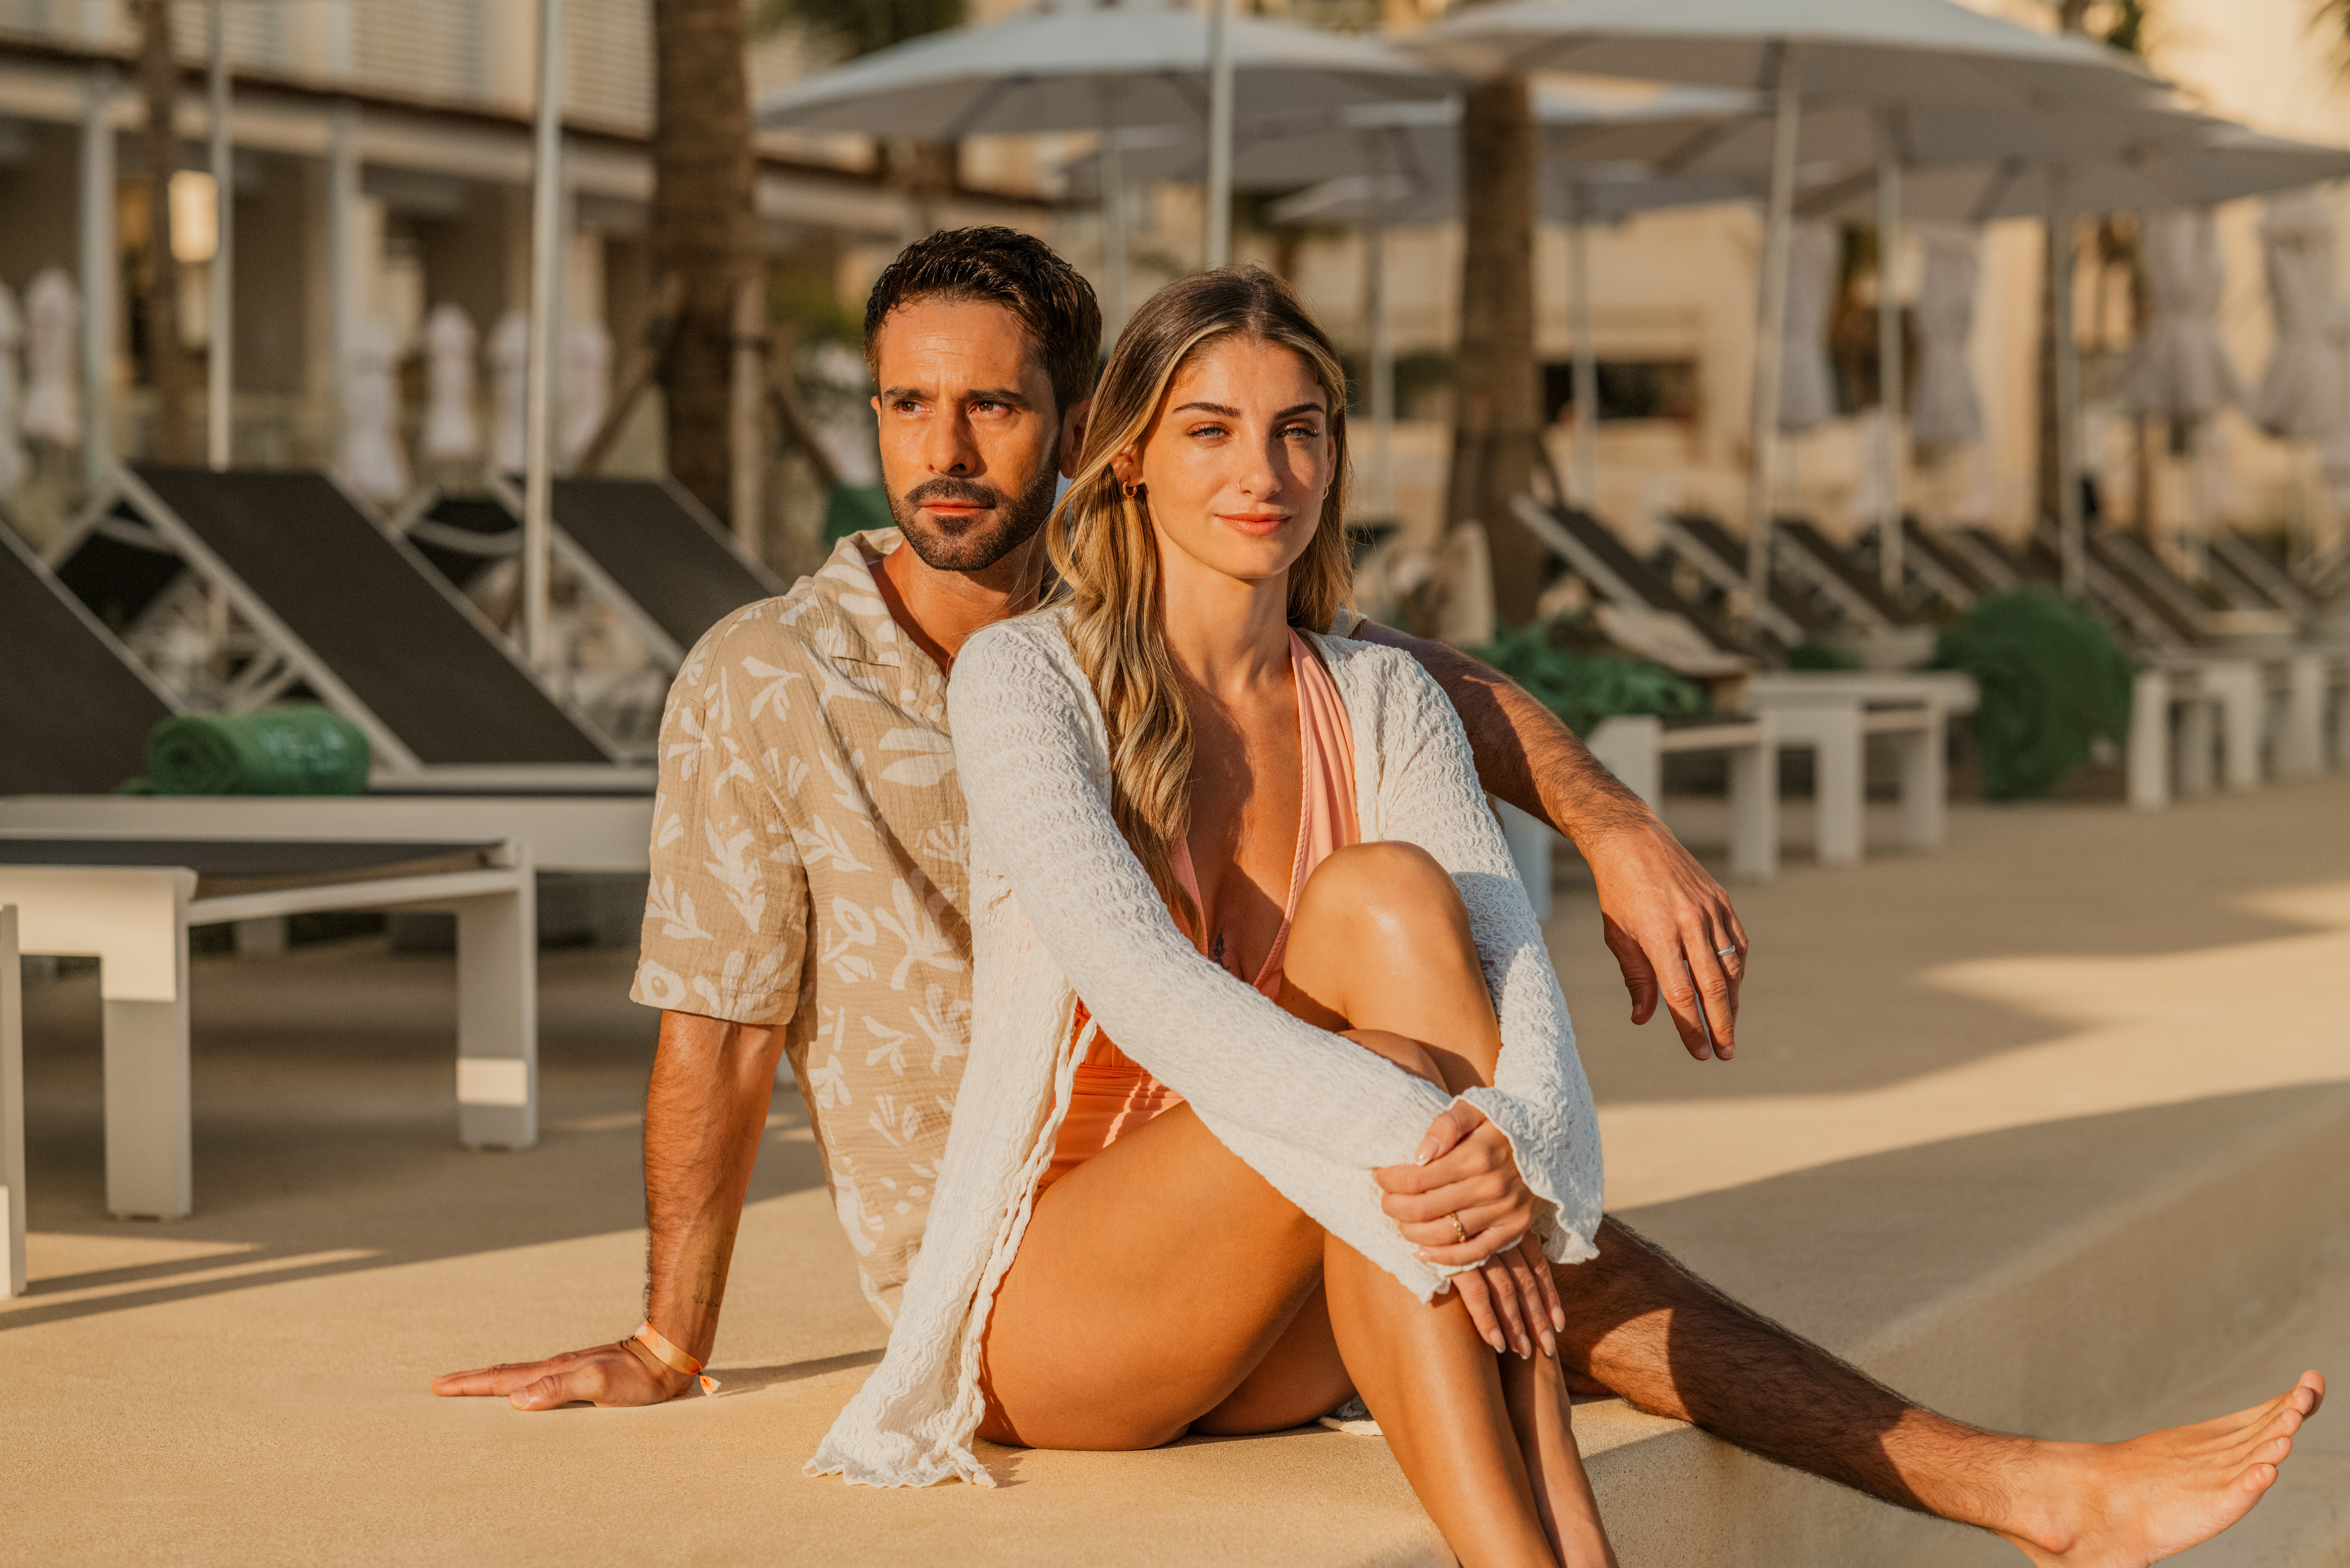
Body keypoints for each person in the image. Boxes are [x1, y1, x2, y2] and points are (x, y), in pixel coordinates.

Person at [436, 228, 2322, 1564]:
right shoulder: (869, 678)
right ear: (1137, 445)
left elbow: (1449, 809)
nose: (949, 446)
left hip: (1306, 1193)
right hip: (1050, 1260)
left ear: (1072, 422)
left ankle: (1949, 1501)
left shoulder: (1359, 678)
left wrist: (1580, 929)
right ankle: (1965, 1496)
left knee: (1391, 909)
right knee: (1488, 1198)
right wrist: (675, 1330)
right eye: (911, 406)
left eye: (995, 406)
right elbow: (734, 1001)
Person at [812, 264, 1615, 1566]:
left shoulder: (1380, 697)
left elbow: (1516, 977)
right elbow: (1147, 992)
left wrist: (1519, 1151)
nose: (1265, 471)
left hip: (1292, 1310)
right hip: (1077, 1315)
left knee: (1392, 897)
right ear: (1125, 459)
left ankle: (1567, 1545)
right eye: (1211, 429)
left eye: (1299, 430)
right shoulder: (1030, 676)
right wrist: (1441, 1140)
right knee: (1403, 1078)